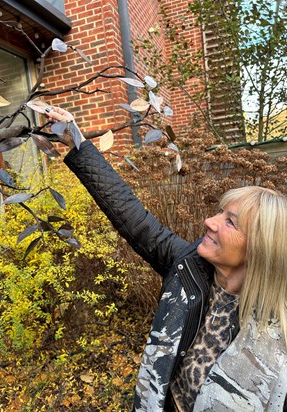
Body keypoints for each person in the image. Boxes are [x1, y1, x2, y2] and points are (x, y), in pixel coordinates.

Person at [46, 107, 287, 412]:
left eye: (230, 222)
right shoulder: (189, 268)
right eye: (219, 212)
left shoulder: (276, 333)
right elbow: (133, 218)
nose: (210, 222)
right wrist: (77, 140)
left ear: (260, 249)